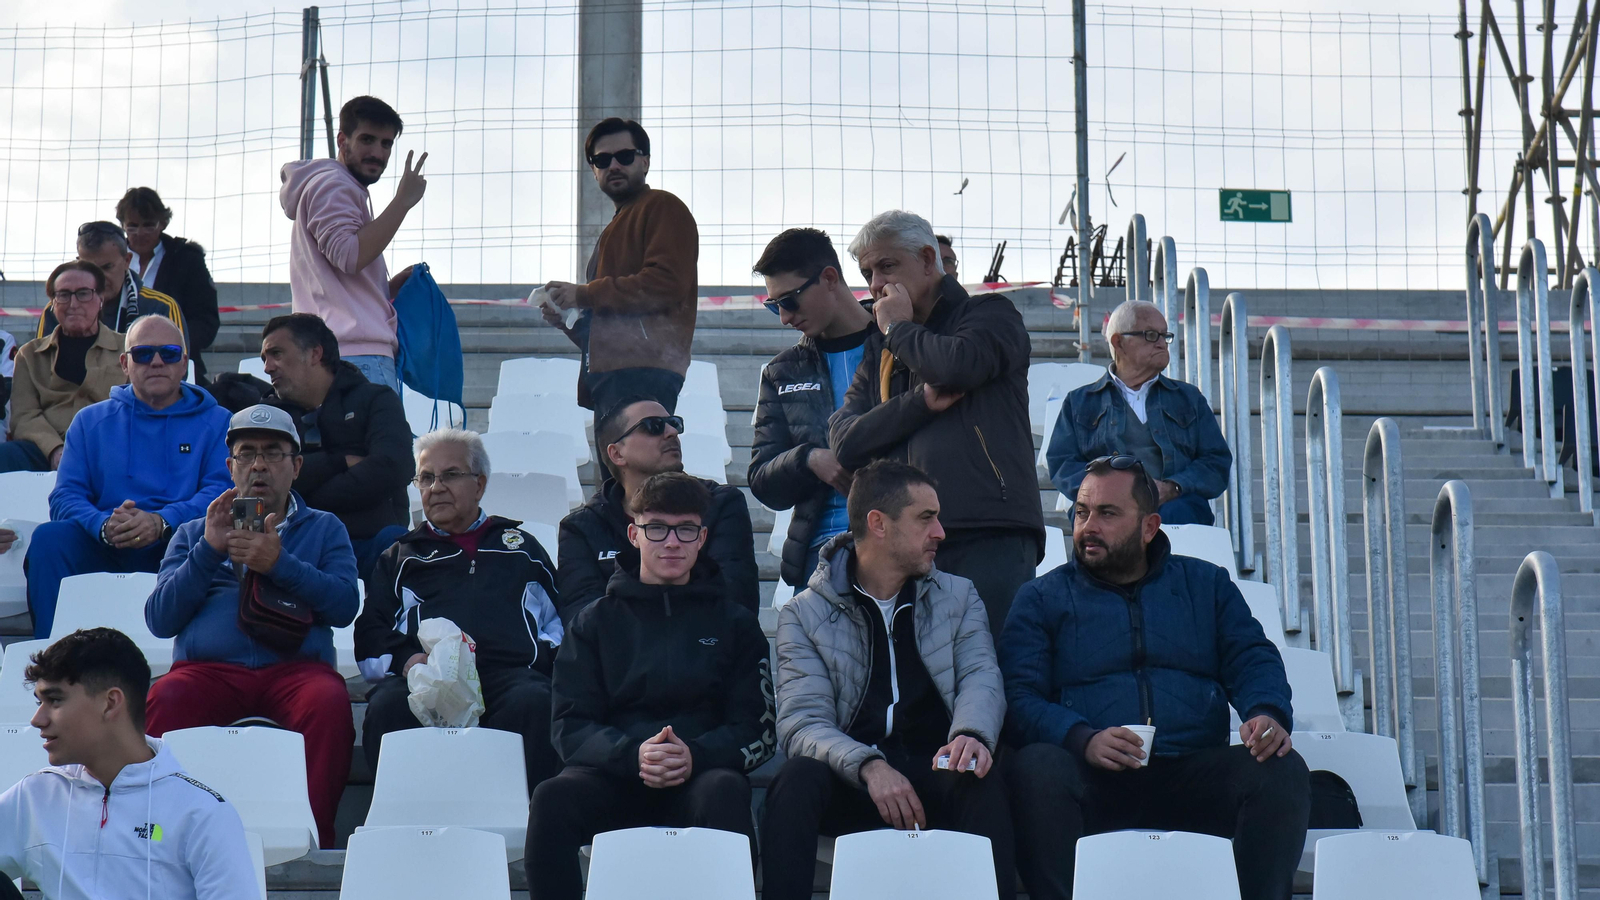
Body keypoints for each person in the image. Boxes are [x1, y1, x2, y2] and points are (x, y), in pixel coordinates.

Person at [1000, 455, 1308, 900]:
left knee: (1281, 768)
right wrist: (1082, 738)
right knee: (1035, 769)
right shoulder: (1040, 597)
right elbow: (1019, 696)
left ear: (1149, 527)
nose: (1088, 526)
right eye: (1082, 512)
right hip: (1094, 782)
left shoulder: (1206, 584)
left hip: (1192, 773)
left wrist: (1266, 712)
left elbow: (1252, 657)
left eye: (1107, 513)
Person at [762, 460, 1014, 900]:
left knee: (979, 774)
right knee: (796, 781)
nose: (940, 532)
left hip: (937, 764)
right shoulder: (803, 613)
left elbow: (981, 676)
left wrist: (972, 734)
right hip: (853, 778)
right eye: (925, 518)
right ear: (877, 523)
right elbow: (802, 723)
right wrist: (869, 766)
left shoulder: (958, 595)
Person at [526, 472, 775, 900]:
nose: (672, 542)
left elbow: (759, 729)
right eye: (657, 528)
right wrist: (633, 755)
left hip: (700, 777)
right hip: (615, 775)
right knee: (551, 798)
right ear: (634, 534)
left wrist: (694, 755)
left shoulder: (735, 624)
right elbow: (569, 725)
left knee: (726, 791)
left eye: (686, 529)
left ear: (703, 537)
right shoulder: (594, 622)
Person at [143, 404, 360, 850]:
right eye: (247, 453)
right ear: (230, 466)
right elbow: (159, 619)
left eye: (273, 453)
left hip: (296, 671)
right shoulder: (192, 532)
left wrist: (279, 563)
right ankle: (163, 841)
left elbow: (344, 606)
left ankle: (313, 838)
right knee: (165, 696)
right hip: (209, 672)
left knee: (329, 700)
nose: (259, 464)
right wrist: (208, 550)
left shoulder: (325, 528)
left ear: (296, 466)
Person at [829, 209, 1043, 636]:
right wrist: (921, 402)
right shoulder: (883, 346)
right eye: (867, 271)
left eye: (886, 266)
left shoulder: (990, 315)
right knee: (919, 689)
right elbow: (845, 441)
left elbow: (955, 367)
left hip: (986, 531)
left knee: (992, 678)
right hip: (904, 540)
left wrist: (900, 329)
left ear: (929, 260)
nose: (874, 284)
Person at [356, 428, 563, 791]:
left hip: (509, 677)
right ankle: (398, 824)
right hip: (427, 678)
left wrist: (537, 660)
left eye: (450, 475)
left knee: (537, 701)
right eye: (426, 477)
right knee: (387, 707)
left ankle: (534, 826)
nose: (436, 487)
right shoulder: (400, 556)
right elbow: (370, 633)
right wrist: (407, 661)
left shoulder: (521, 549)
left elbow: (560, 624)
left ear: (480, 484)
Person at [0, 628, 257, 900]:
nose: (37, 719)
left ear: (110, 703)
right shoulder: (35, 795)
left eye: (54, 700)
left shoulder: (202, 814)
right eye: (40, 702)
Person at [24, 316, 231, 639]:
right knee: (51, 540)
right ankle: (55, 659)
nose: (158, 362)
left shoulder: (220, 421)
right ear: (125, 363)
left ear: (185, 363)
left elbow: (222, 492)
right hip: (105, 541)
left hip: (178, 544)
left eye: (170, 353)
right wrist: (103, 526)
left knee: (210, 542)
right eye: (144, 353)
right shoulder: (89, 421)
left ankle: (202, 654)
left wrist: (161, 521)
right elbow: (66, 496)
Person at [542, 118, 699, 423]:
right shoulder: (615, 228)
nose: (613, 165)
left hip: (645, 373)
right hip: (613, 377)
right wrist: (566, 320)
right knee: (621, 472)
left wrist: (583, 294)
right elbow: (607, 329)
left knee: (640, 468)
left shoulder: (663, 207)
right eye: (602, 160)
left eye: (624, 156)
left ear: (645, 161)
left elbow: (664, 285)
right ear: (593, 170)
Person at [748, 228, 876, 589]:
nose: (784, 318)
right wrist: (809, 459)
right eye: (774, 306)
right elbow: (761, 479)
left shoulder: (900, 343)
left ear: (830, 278)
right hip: (821, 553)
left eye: (788, 301)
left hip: (897, 536)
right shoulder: (781, 371)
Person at [556, 396, 758, 616]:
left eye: (675, 423)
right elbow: (583, 620)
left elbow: (736, 603)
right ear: (617, 453)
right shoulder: (581, 529)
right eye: (653, 426)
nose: (672, 432)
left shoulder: (719, 504)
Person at [280, 95, 426, 392]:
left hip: (340, 352)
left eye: (386, 144)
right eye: (367, 140)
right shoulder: (334, 184)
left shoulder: (334, 184)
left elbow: (340, 271)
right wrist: (403, 201)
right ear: (342, 140)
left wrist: (386, 290)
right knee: (375, 441)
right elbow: (349, 255)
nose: (377, 153)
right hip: (356, 357)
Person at [1045, 299, 1230, 526]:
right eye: (1151, 335)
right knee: (1098, 521)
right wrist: (1110, 493)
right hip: (1104, 509)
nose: (1162, 343)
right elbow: (1062, 464)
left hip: (1175, 508)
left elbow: (1216, 462)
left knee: (1181, 515)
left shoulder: (1189, 398)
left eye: (1165, 335)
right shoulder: (1080, 402)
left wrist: (1171, 487)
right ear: (1119, 342)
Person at [259, 313, 413, 581]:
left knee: (399, 545)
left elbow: (393, 467)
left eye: (277, 354)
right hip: (294, 546)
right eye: (264, 358)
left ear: (315, 354)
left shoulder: (376, 399)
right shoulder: (268, 415)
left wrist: (304, 491)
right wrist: (338, 462)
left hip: (369, 540)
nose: (267, 368)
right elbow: (263, 480)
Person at [1, 262, 126, 473]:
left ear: (101, 299)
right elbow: (24, 416)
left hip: (111, 448)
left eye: (84, 293)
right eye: (64, 295)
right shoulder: (30, 355)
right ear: (52, 303)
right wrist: (55, 450)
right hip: (45, 450)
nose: (73, 304)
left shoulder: (128, 349)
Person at [117, 187, 220, 382]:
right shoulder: (110, 261)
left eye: (148, 225)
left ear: (163, 223)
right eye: (132, 226)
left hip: (172, 363)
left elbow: (206, 320)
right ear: (122, 225)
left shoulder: (187, 260)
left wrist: (171, 348)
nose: (140, 233)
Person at [37, 222, 186, 342]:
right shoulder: (57, 308)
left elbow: (177, 369)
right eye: (90, 269)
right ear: (78, 264)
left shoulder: (161, 307)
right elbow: (41, 369)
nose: (99, 277)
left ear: (127, 261)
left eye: (107, 267)